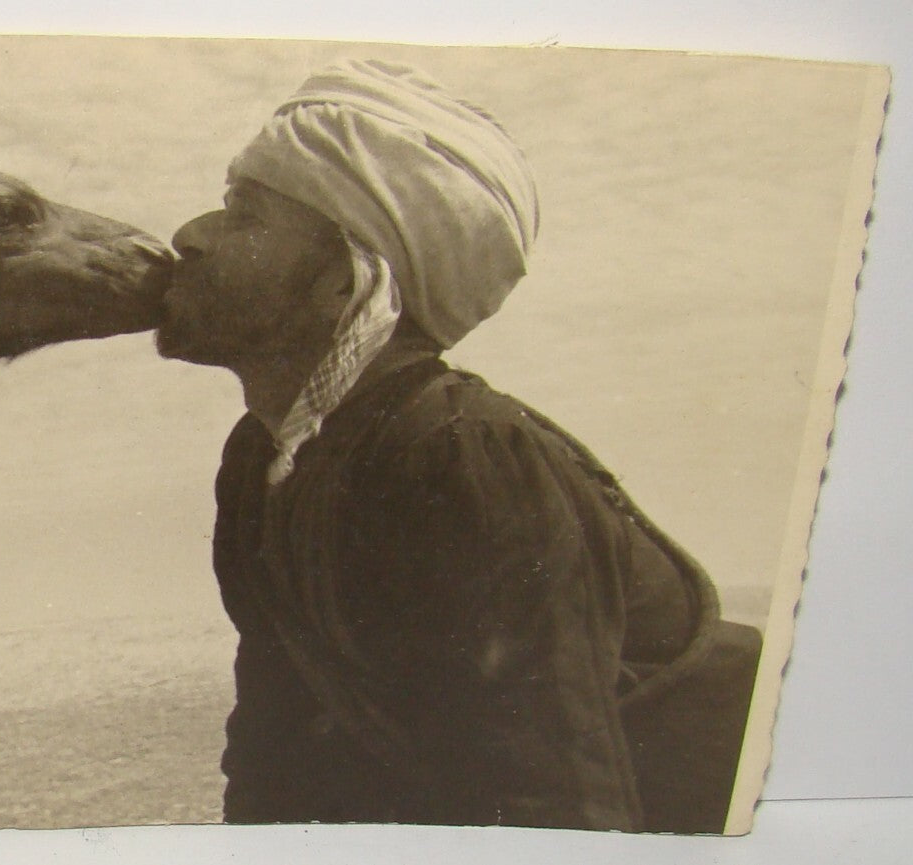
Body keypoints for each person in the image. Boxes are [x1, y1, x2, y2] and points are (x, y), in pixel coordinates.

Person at [155, 59, 763, 833]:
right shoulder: (261, 460)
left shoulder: (459, 455)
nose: (190, 234)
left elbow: (559, 800)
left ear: (343, 281)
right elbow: (279, 737)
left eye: (242, 214)